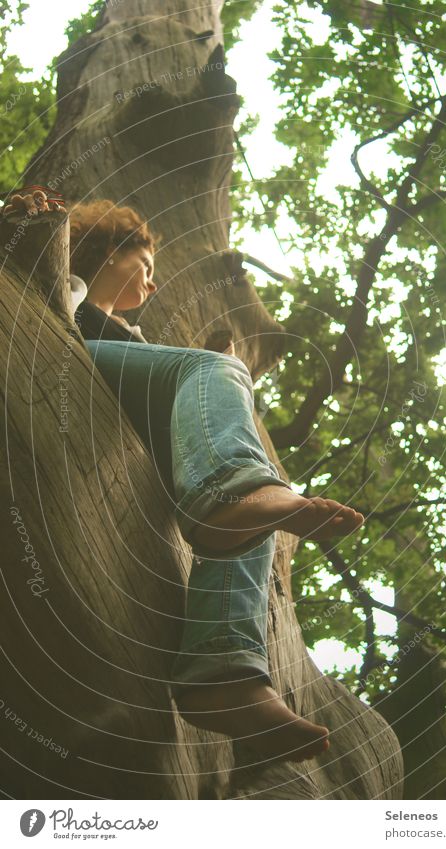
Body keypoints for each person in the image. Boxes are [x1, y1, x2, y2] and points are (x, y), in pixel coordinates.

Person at [8, 191, 365, 763]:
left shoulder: (141, 345)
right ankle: (237, 493)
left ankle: (226, 674)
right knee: (221, 383)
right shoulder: (56, 286)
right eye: (144, 267)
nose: (151, 287)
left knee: (253, 509)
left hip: (127, 433)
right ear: (105, 247)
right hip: (57, 372)